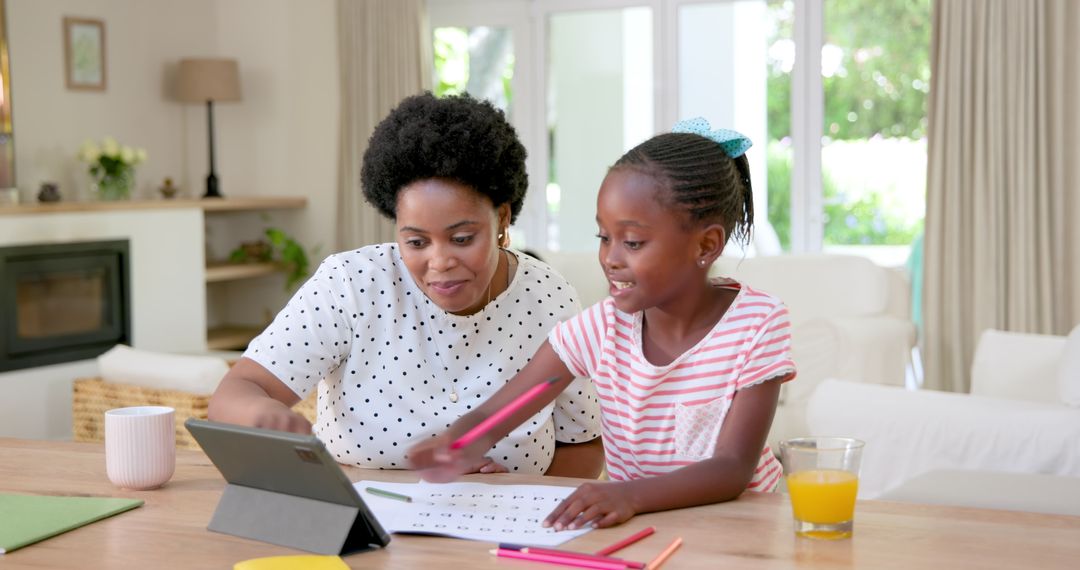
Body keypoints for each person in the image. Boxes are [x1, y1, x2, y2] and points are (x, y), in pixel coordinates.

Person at [408, 118, 796, 529]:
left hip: (740, 530)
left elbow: (733, 469)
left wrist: (628, 494)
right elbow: (513, 403)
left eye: (632, 242)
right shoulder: (601, 329)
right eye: (604, 238)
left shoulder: (757, 324)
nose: (610, 258)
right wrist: (461, 442)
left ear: (706, 244)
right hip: (640, 526)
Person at [208, 92, 604, 478]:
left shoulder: (548, 298)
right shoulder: (351, 284)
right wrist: (263, 414)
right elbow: (237, 391)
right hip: (360, 516)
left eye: (462, 238)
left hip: (500, 522)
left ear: (501, 218)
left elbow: (583, 442)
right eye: (416, 242)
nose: (440, 262)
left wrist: (518, 496)